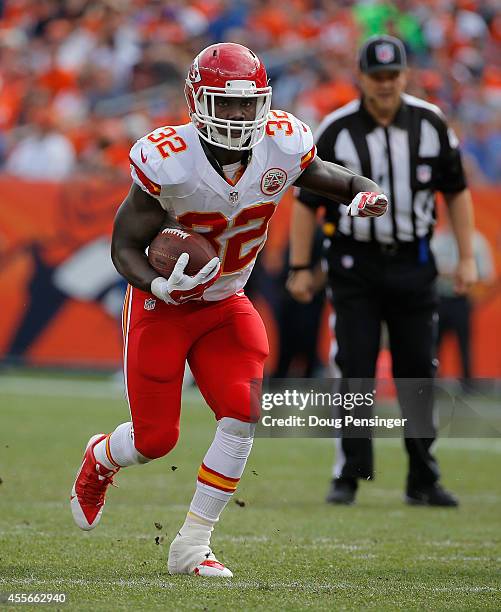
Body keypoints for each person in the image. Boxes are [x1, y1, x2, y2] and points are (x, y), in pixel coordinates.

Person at [69, 42, 388, 577]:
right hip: (163, 306)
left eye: (249, 104)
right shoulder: (169, 160)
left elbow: (328, 176)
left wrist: (361, 192)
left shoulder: (282, 144)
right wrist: (158, 286)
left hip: (226, 302)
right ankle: (101, 457)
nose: (240, 116)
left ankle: (192, 545)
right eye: (227, 104)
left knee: (243, 414)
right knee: (155, 440)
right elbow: (123, 246)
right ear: (197, 102)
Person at [287, 35, 477, 507]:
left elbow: (456, 189)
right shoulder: (335, 129)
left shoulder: (431, 124)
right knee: (355, 367)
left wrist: (467, 256)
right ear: (362, 77)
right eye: (378, 75)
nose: (386, 84)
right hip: (354, 264)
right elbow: (306, 203)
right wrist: (300, 266)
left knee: (418, 370)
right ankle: (350, 473)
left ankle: (422, 476)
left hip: (414, 262)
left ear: (406, 75)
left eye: (394, 75)